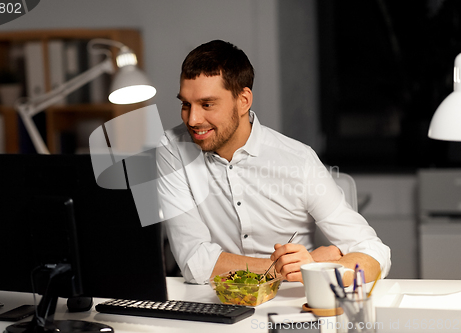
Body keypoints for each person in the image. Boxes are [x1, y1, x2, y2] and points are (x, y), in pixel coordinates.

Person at [156, 40, 391, 286]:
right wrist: (285, 268)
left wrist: (321, 269)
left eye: (207, 105)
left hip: (293, 307)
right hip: (216, 306)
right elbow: (194, 262)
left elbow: (374, 251)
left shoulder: (299, 160)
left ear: (244, 100)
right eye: (185, 104)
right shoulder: (171, 148)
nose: (192, 119)